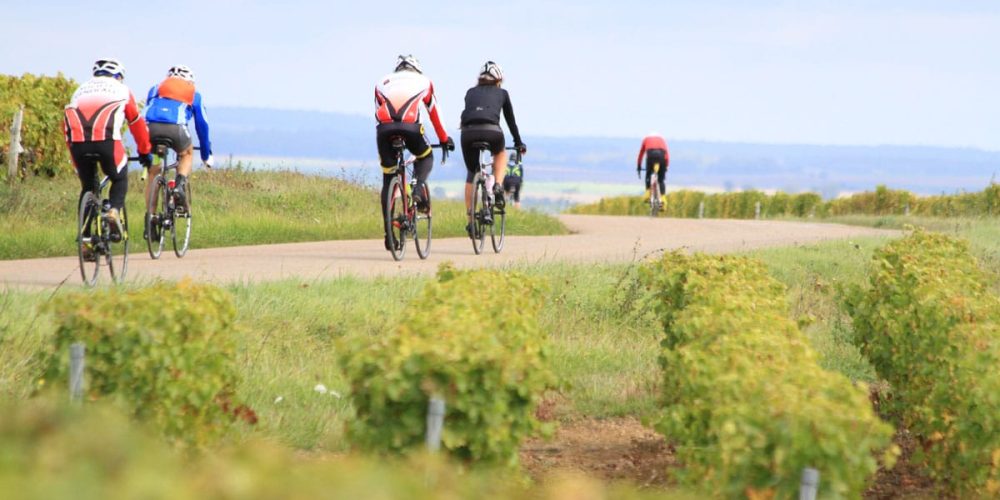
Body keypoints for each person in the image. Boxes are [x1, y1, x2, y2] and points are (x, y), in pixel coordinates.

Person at [64, 58, 153, 258]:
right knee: (119, 177)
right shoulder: (122, 90)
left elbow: (67, 126)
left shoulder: (79, 90)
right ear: (118, 76)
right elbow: (136, 123)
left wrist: (75, 160)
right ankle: (114, 210)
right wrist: (145, 152)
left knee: (89, 187)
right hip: (107, 142)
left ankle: (86, 240)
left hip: (78, 144)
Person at [374, 54, 454, 250]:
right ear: (416, 69)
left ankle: (388, 234)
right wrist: (444, 139)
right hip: (411, 128)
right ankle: (417, 187)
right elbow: (434, 113)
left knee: (388, 177)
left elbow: (377, 113)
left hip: (384, 131)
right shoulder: (424, 81)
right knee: (425, 156)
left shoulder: (382, 82)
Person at [144, 64, 213, 234]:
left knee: (154, 171)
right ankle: (180, 186)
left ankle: (150, 219)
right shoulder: (194, 94)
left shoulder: (155, 89)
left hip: (150, 129)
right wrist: (206, 153)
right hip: (176, 129)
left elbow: (147, 109)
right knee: (186, 153)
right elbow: (202, 125)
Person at [459, 61, 525, 235]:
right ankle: (497, 184)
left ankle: (470, 221)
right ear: (498, 80)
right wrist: (518, 142)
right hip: (492, 132)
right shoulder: (502, 93)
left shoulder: (470, 92)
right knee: (500, 153)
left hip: (468, 133)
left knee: (471, 173)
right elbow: (511, 122)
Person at [637, 132, 669, 205]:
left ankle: (648, 194)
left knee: (648, 175)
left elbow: (641, 154)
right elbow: (667, 154)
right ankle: (663, 199)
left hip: (650, 155)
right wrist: (666, 166)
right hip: (662, 156)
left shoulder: (646, 139)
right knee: (661, 179)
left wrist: (639, 166)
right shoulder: (662, 139)